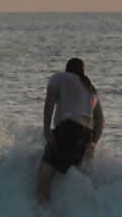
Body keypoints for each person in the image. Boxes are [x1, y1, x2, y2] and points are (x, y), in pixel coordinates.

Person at [37, 58, 104, 203]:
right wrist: (92, 144)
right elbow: (100, 122)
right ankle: (75, 216)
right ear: (82, 71)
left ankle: (41, 216)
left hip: (68, 129)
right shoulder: (91, 89)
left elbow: (50, 100)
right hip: (86, 135)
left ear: (67, 68)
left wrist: (46, 127)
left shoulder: (59, 77)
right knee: (71, 174)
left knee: (45, 174)